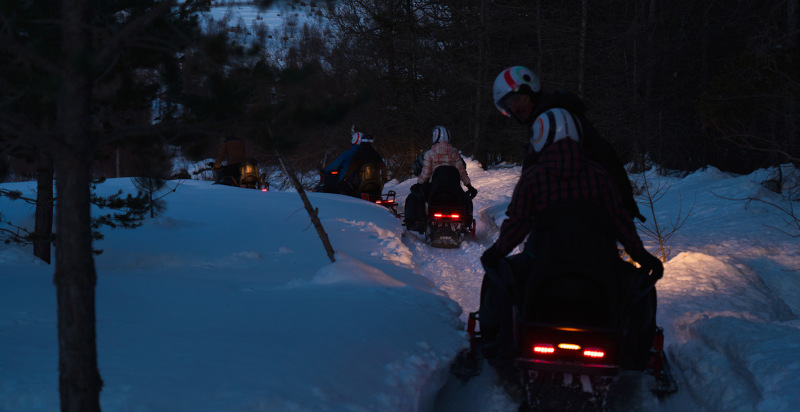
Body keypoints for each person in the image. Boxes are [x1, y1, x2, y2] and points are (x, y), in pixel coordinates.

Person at [478, 107, 663, 378]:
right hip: (600, 270)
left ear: (540, 138)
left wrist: (495, 254)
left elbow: (516, 226)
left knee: (498, 279)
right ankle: (636, 356)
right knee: (643, 288)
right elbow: (622, 223)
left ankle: (496, 347)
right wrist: (644, 258)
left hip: (543, 269)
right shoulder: (599, 175)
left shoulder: (534, 177)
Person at [492, 66, 646, 222]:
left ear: (531, 90)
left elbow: (597, 158)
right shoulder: (543, 121)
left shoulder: (555, 120)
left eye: (517, 100)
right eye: (509, 106)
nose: (516, 109)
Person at [404, 126, 477, 233]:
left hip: (435, 191)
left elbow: (425, 174)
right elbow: (462, 172)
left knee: (414, 197)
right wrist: (469, 186)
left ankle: (417, 222)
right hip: (454, 191)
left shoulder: (429, 154)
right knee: (466, 199)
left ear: (434, 137)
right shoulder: (455, 154)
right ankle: (466, 222)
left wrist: (418, 185)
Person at [340, 133, 388, 198]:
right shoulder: (376, 154)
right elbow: (383, 167)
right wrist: (384, 178)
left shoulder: (358, 154)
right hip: (376, 184)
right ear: (371, 143)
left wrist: (345, 179)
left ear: (362, 142)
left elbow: (351, 168)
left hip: (360, 184)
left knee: (346, 187)